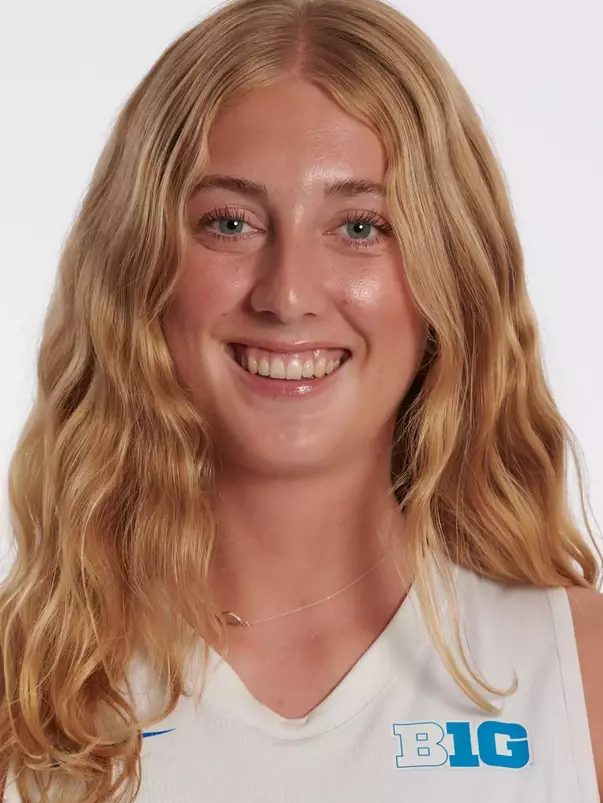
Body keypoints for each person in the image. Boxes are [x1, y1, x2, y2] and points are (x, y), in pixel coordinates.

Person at [1, 0, 602, 800]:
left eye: (360, 227)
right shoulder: (22, 690)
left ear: (450, 275)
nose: (287, 293)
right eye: (230, 222)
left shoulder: (581, 678)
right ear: (137, 267)